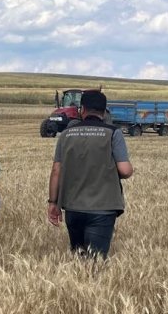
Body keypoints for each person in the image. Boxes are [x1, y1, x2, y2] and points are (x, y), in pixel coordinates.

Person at [47, 90, 133, 259]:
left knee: (79, 258)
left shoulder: (66, 134)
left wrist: (53, 203)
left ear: (82, 109)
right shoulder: (113, 133)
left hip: (73, 207)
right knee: (96, 262)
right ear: (104, 110)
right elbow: (125, 170)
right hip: (103, 208)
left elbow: (56, 170)